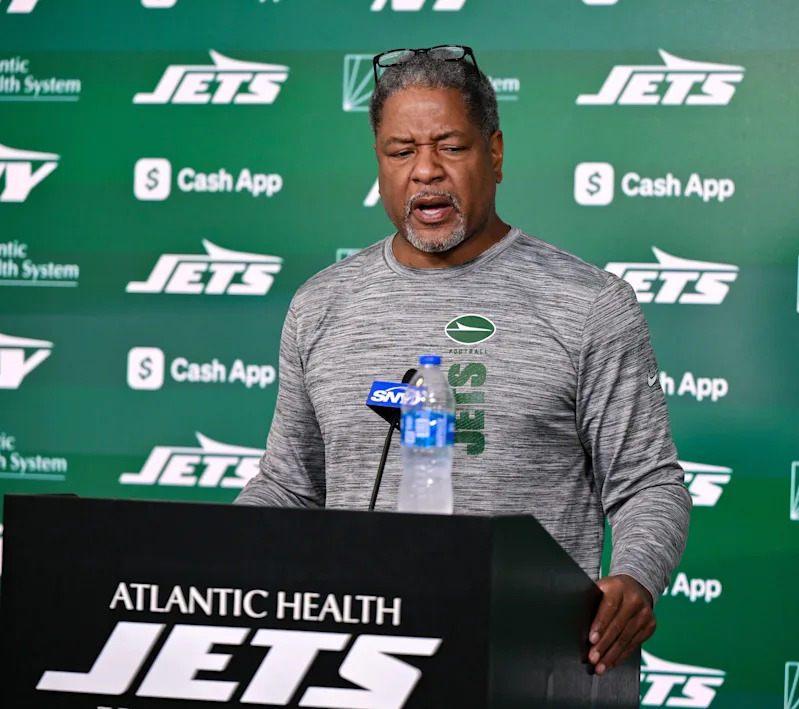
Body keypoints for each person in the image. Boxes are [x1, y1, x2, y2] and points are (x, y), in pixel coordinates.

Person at [235, 45, 691, 676]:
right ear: (379, 161)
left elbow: (647, 483)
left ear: (495, 153)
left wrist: (636, 576)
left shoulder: (589, 304)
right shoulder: (321, 304)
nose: (425, 171)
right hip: (354, 662)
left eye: (451, 146)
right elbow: (290, 484)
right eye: (401, 152)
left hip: (526, 661)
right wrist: (211, 564)